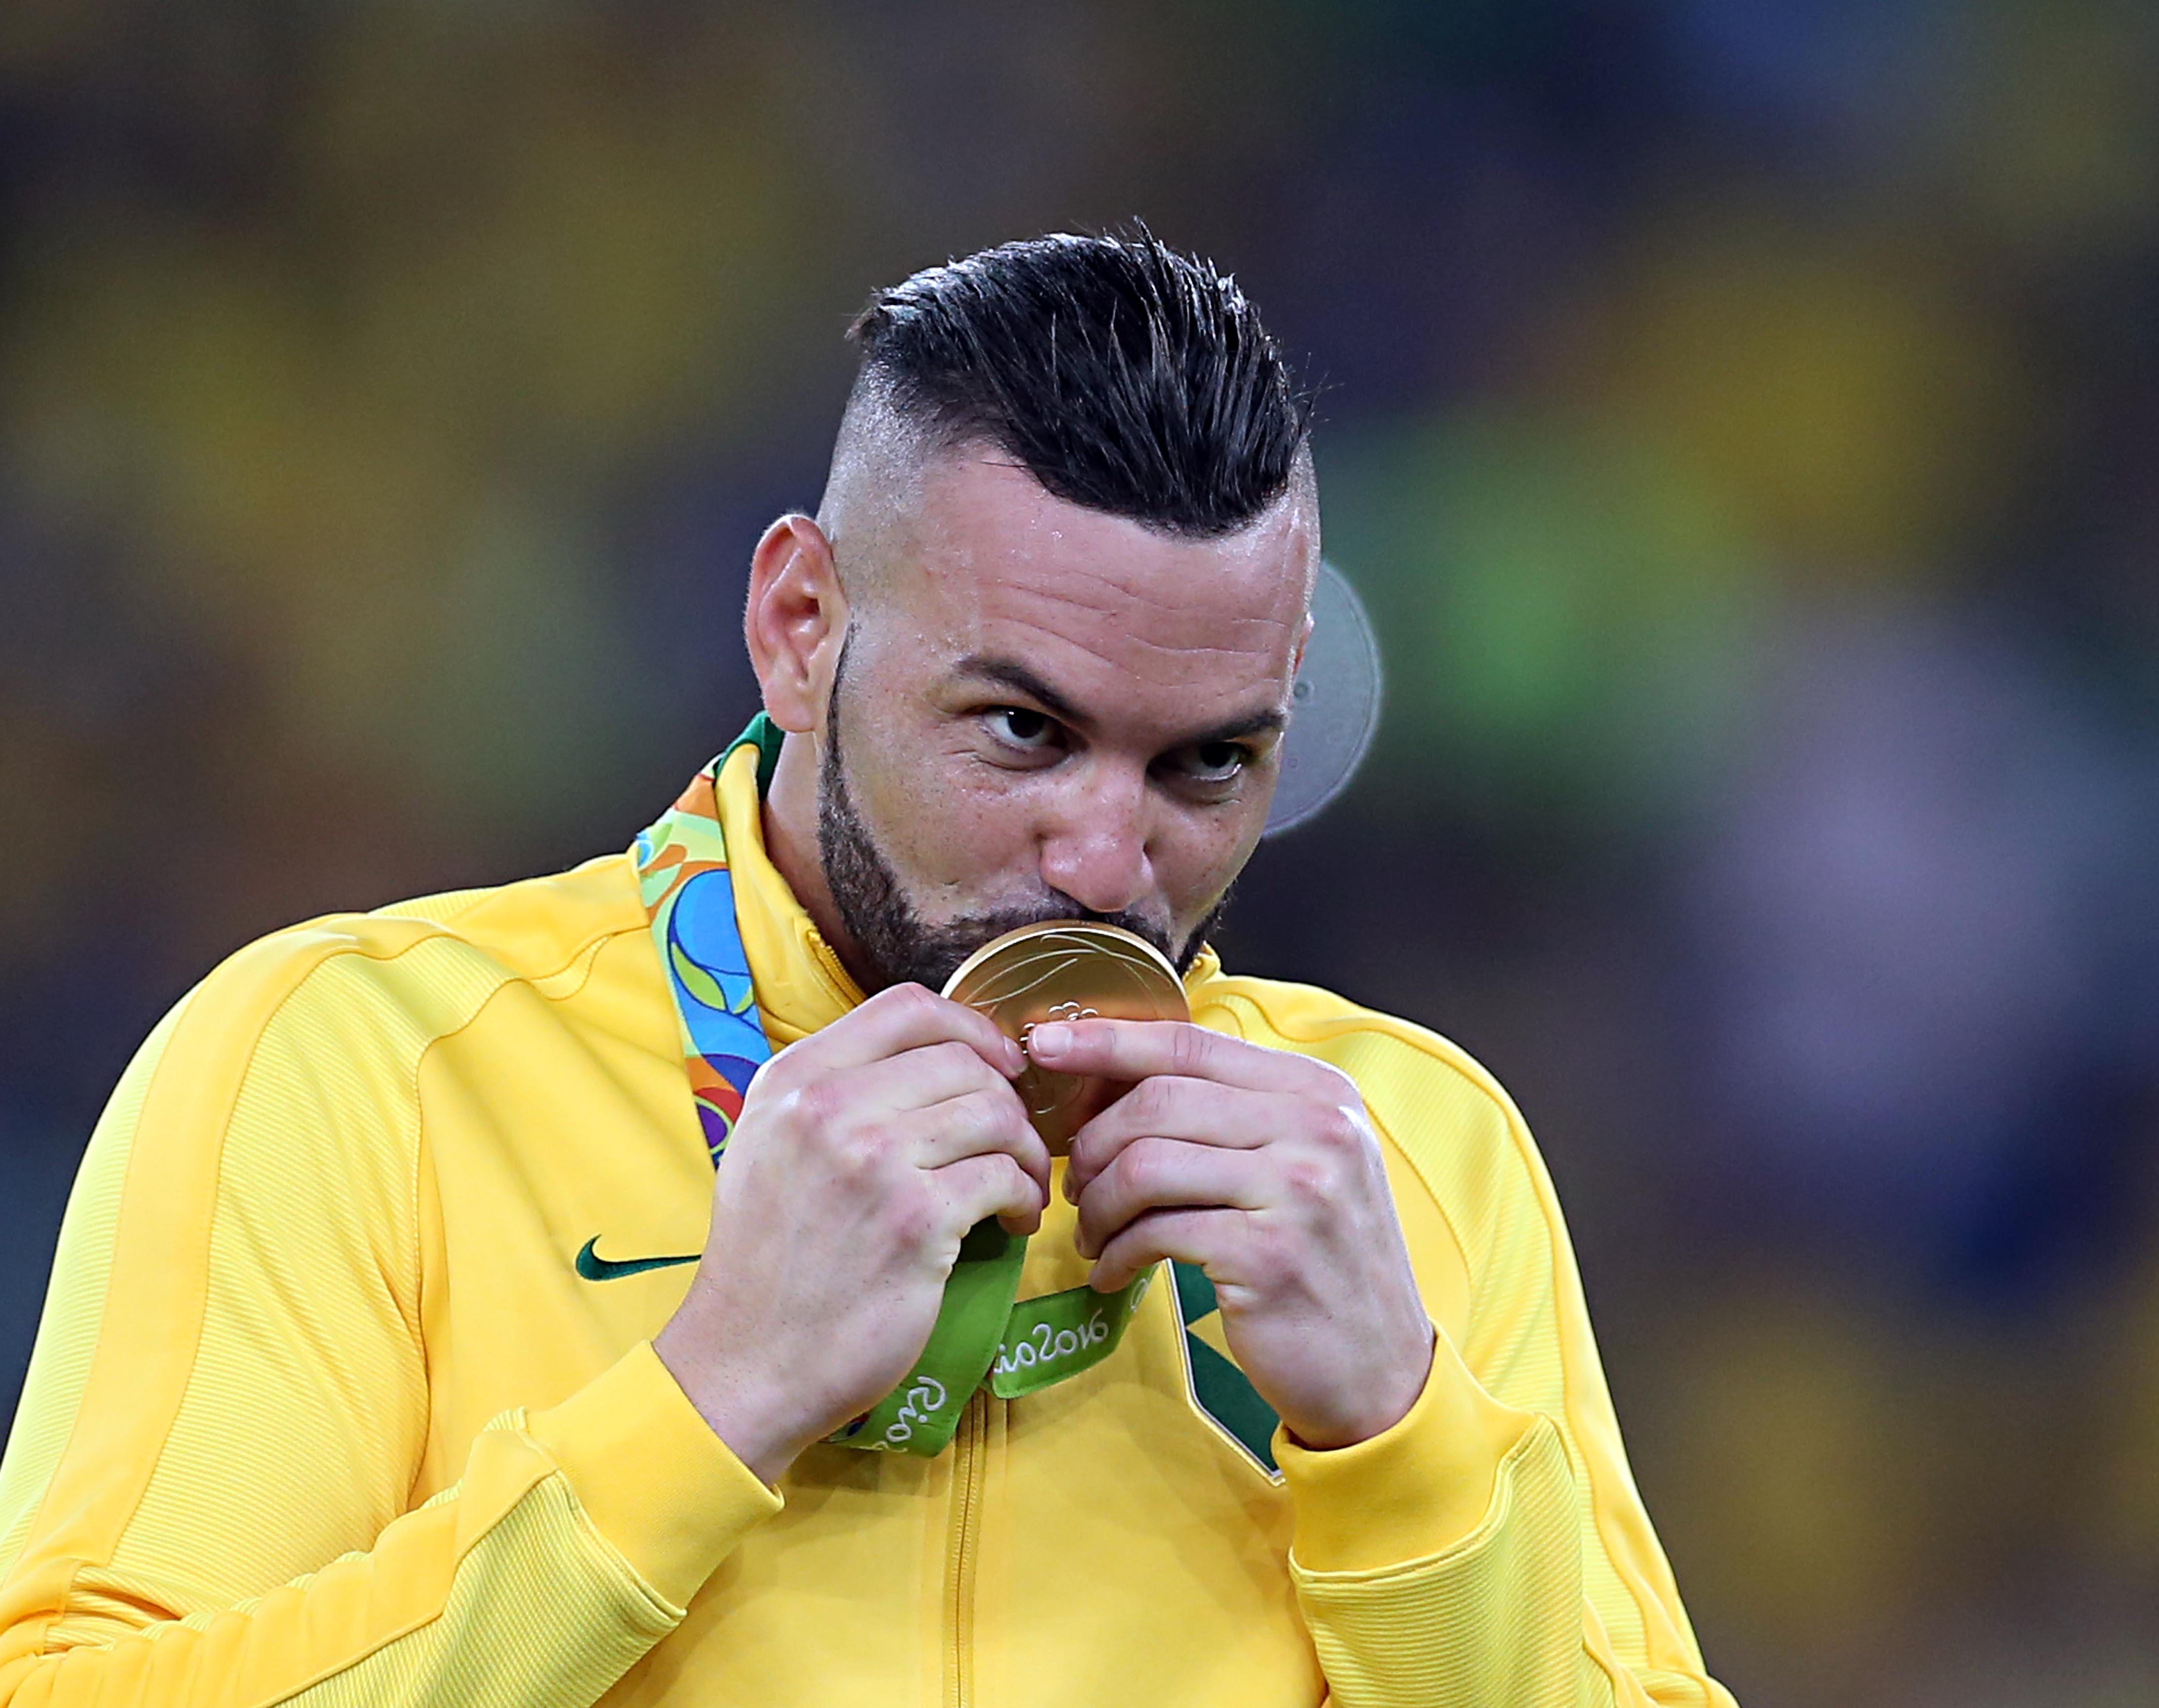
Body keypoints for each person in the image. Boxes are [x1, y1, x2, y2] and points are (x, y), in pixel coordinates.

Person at [0, 232, 1725, 1707]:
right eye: (1023, 729)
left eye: (1208, 763)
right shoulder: (361, 1071)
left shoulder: (1405, 1159)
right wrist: (709, 1403)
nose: (1106, 863)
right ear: (801, 630)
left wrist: (1408, 1460)